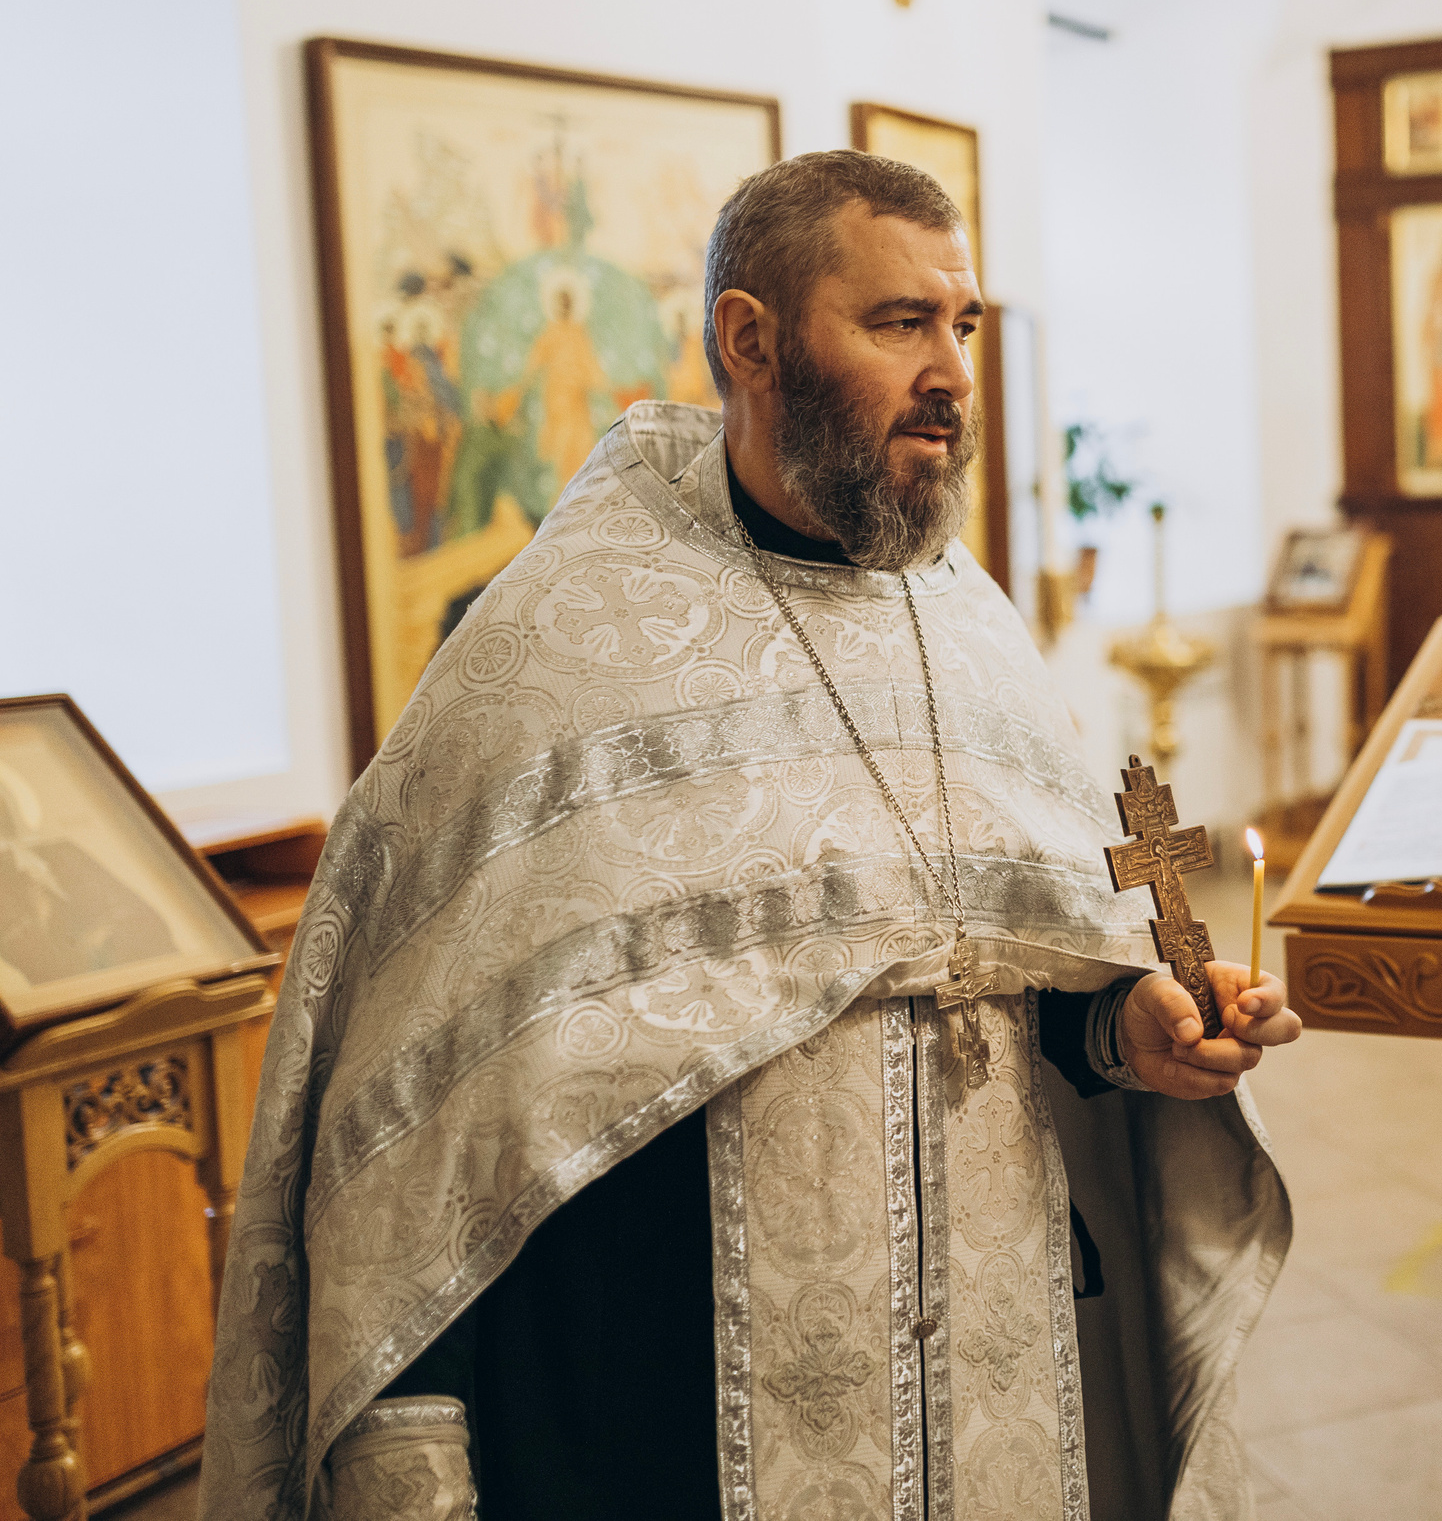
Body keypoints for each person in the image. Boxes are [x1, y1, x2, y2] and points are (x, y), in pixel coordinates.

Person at [201, 150, 1301, 1520]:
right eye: (900, 323)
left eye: (964, 324)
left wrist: (1121, 1028)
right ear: (751, 340)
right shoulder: (562, 644)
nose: (953, 371)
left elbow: (1011, 967)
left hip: (994, 1372)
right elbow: (450, 1102)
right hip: (669, 1386)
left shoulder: (964, 622)